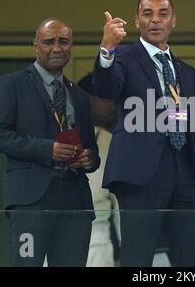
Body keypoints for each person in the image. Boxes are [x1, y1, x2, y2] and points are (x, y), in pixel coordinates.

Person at [93, 0, 195, 267]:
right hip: (141, 174)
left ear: (173, 21)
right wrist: (107, 49)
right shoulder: (122, 57)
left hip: (185, 174)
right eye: (148, 14)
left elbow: (188, 122)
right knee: (138, 258)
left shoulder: (185, 70)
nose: (155, 20)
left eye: (163, 14)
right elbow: (106, 88)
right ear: (137, 21)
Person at [0, 18, 100, 267]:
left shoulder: (79, 96)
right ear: (36, 46)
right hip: (32, 200)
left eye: (64, 41)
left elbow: (92, 148)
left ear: (71, 46)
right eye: (49, 42)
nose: (57, 48)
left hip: (74, 200)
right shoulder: (13, 84)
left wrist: (89, 158)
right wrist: (48, 149)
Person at [77, 73, 121, 267]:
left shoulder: (110, 142)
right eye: (107, 99)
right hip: (53, 243)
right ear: (88, 100)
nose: (113, 105)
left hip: (97, 244)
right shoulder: (50, 140)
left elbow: (122, 207)